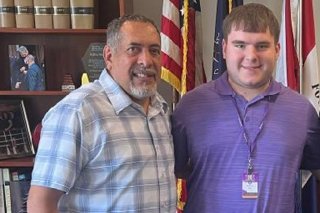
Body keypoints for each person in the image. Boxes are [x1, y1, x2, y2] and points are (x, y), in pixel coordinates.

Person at [171, 3, 320, 213]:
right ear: (224, 49)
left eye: (261, 46)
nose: (251, 56)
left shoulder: (302, 110)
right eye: (240, 45)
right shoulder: (190, 106)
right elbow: (172, 171)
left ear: (277, 50)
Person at [27, 14, 176, 212]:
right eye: (134, 49)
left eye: (154, 51)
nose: (146, 61)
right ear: (108, 56)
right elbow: (41, 203)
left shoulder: (161, 109)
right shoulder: (76, 112)